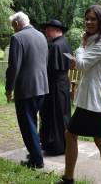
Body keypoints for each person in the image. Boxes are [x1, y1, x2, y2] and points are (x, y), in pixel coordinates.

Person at [58, 5, 101, 184]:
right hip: (89, 99)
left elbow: (83, 64)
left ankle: (71, 178)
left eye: (93, 19)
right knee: (91, 137)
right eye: (87, 18)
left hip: (94, 100)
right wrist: (80, 56)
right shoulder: (94, 40)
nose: (89, 22)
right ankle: (69, 177)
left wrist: (81, 48)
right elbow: (84, 64)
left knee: (93, 138)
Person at [5, 11, 49, 169]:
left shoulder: (17, 38)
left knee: (27, 124)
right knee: (33, 123)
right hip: (42, 87)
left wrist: (9, 89)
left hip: (26, 89)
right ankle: (34, 153)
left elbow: (13, 67)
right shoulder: (41, 36)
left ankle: (37, 161)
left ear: (17, 24)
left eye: (13, 26)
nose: (13, 29)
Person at [39, 19, 72, 156]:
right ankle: (65, 145)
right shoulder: (65, 43)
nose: (46, 32)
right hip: (63, 84)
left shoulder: (54, 46)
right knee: (62, 114)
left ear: (56, 30)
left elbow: (49, 70)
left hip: (54, 86)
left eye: (47, 29)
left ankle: (55, 147)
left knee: (53, 115)